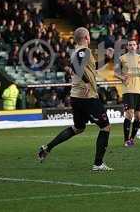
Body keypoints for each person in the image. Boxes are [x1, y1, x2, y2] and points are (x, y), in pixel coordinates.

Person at [38, 27, 113, 171]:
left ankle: (47, 148)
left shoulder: (78, 52)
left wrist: (108, 58)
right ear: (86, 37)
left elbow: (92, 68)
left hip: (76, 96)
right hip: (88, 97)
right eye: (89, 36)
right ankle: (98, 164)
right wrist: (85, 82)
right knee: (105, 127)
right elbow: (75, 66)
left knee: (78, 128)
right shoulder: (84, 51)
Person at [115, 39, 140, 147]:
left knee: (138, 117)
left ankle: (131, 139)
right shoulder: (122, 58)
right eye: (130, 45)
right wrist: (122, 77)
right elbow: (116, 72)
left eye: (134, 44)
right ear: (127, 47)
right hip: (128, 90)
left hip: (139, 91)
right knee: (129, 114)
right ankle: (126, 140)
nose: (132, 46)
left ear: (137, 46)